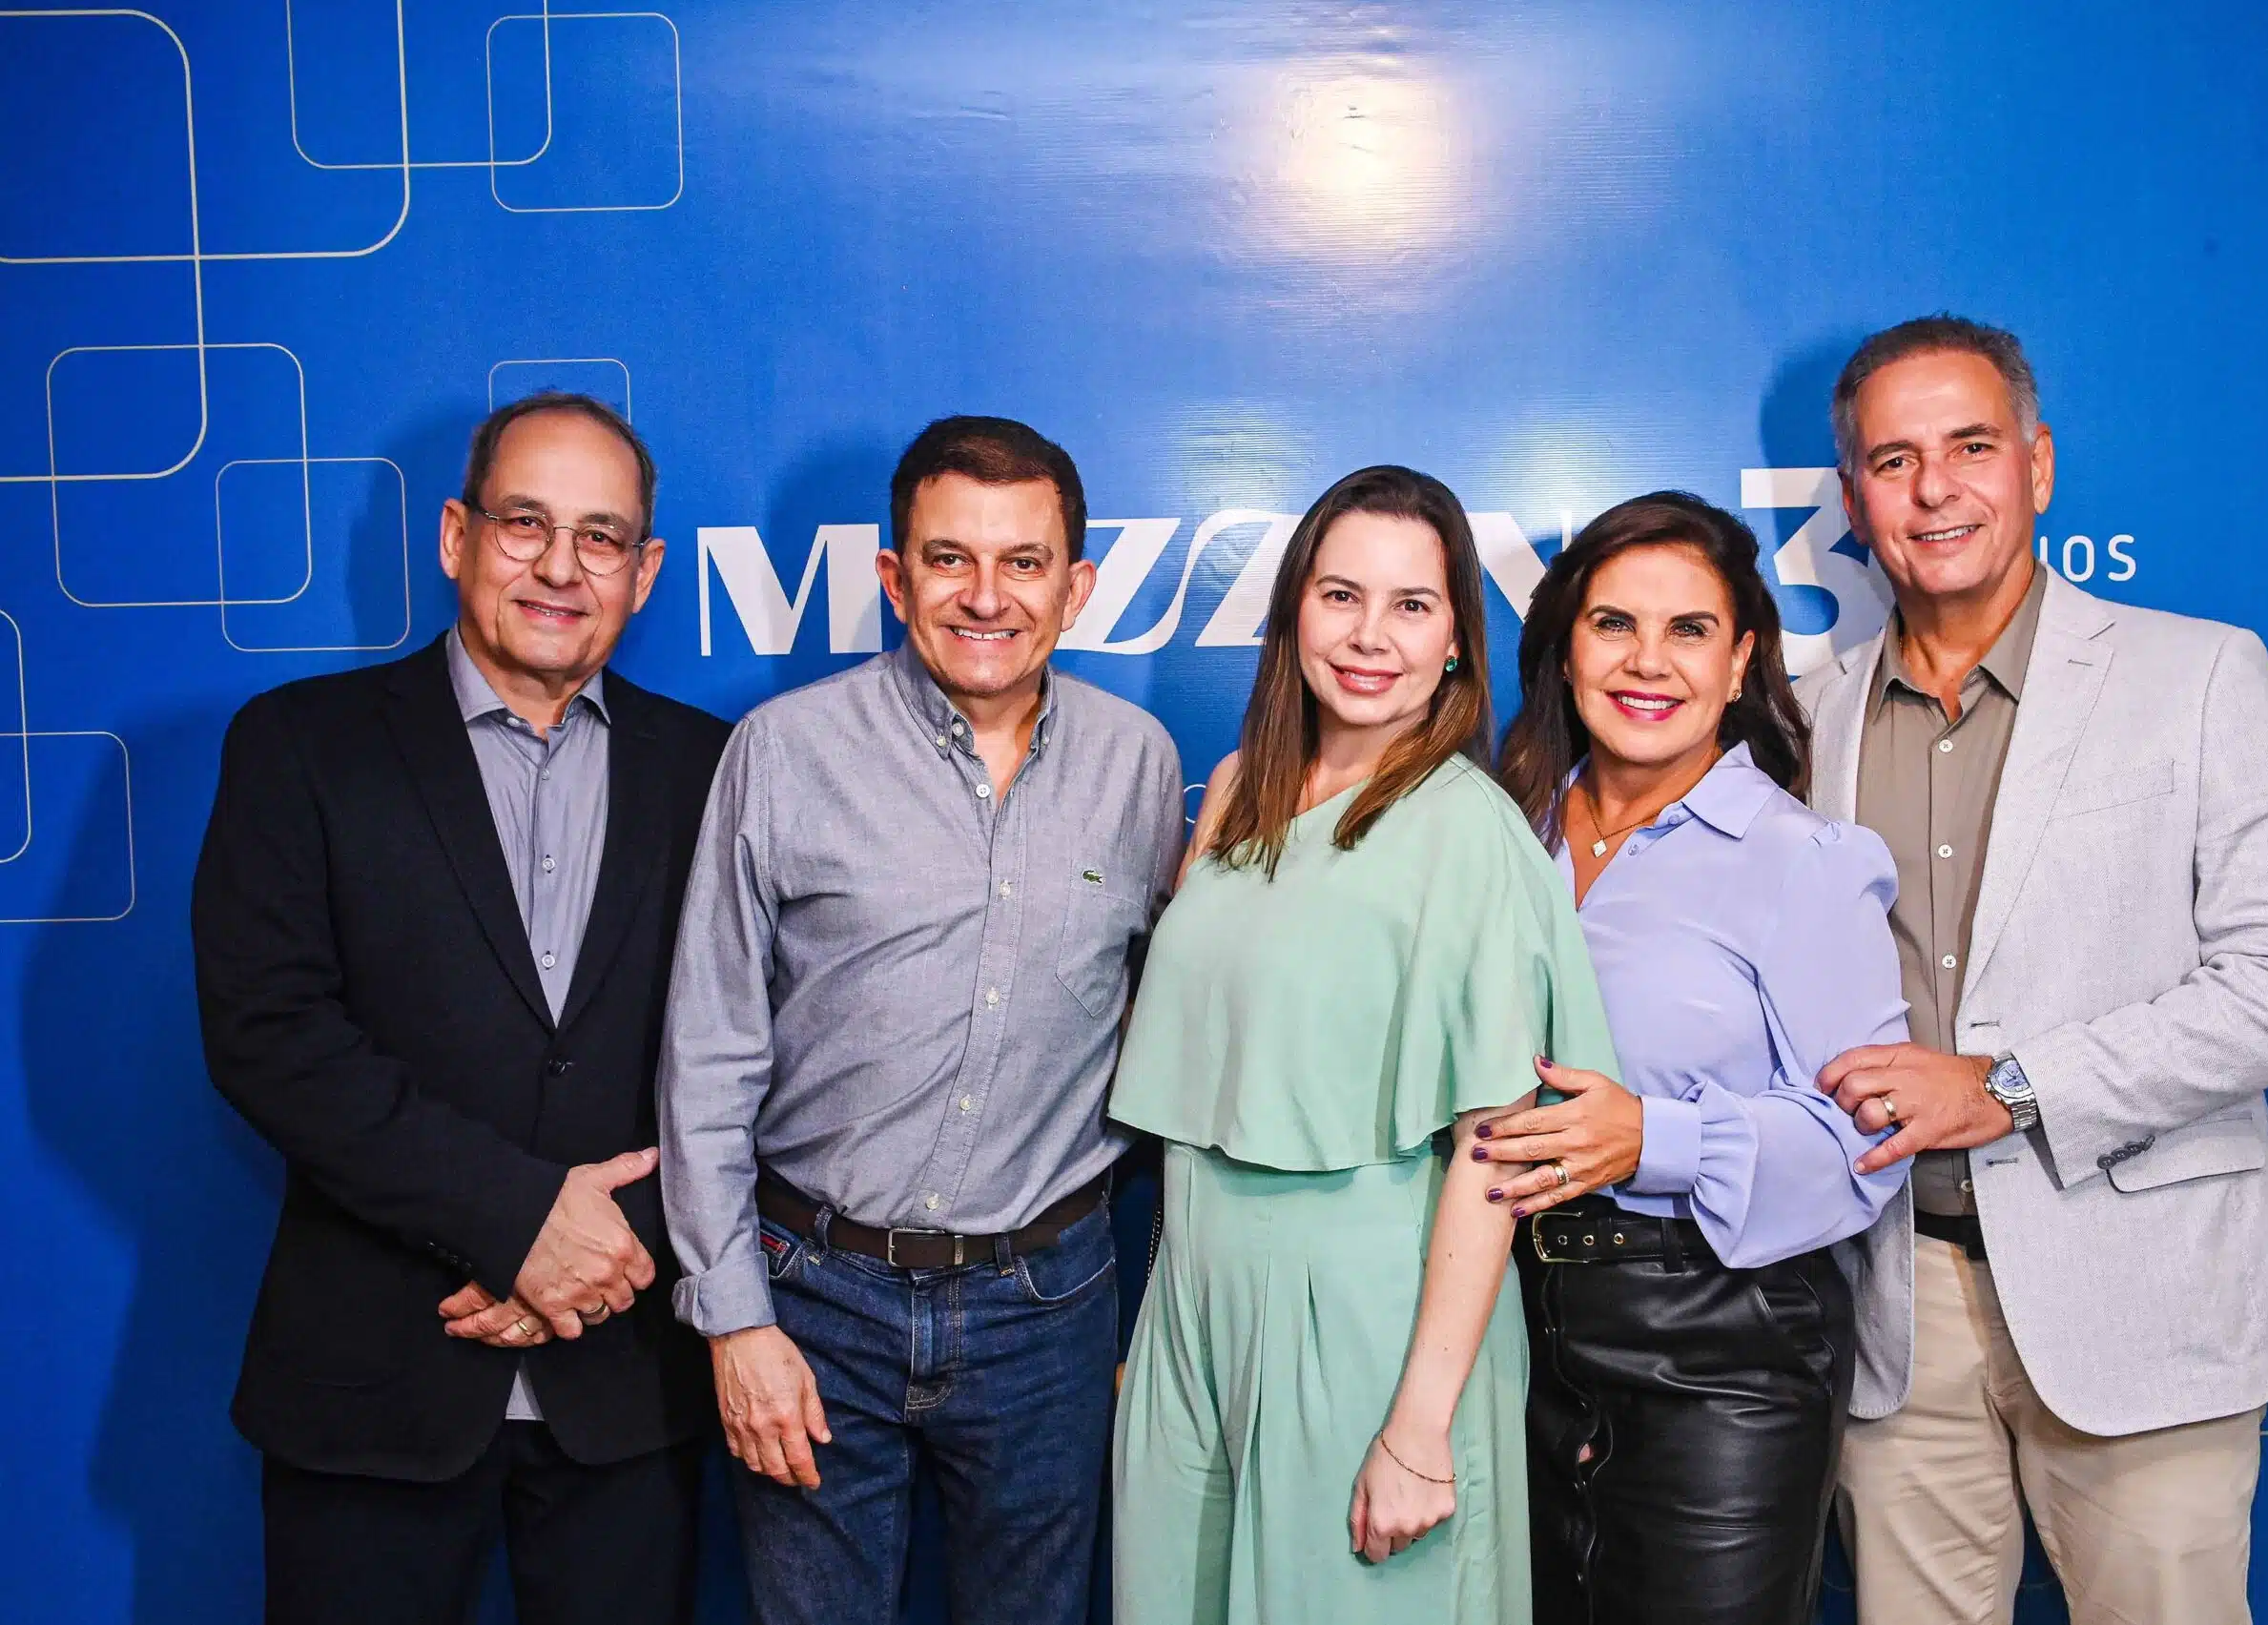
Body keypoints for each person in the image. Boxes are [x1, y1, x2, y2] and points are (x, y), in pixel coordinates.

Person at [1799, 316, 2268, 1622]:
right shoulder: (1804, 715)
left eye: (1971, 446)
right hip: (1893, 1307)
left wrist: (2010, 1085)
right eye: (1894, 460)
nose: (1935, 489)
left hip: (2143, 1296)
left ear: (2038, 464)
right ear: (1853, 500)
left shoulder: (2198, 673)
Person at [193, 391, 731, 1625]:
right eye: (526, 522)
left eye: (601, 537)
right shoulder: (299, 746)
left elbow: (759, 1059)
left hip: (626, 1383)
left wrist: (609, 1247)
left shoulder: (716, 769)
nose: (560, 567)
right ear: (456, 535)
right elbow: (270, 1035)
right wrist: (517, 1221)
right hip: (373, 1383)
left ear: (645, 572)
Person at [656, 416, 1183, 1625]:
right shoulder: (783, 752)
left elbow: (1172, 1034)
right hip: (812, 1297)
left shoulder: (1139, 764)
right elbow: (708, 1053)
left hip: (1046, 1304)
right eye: (951, 559)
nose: (986, 596)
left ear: (1076, 587)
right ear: (894, 578)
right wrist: (734, 1321)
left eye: (1023, 562)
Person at [1108, 464, 1618, 1625]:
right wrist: (1171, 1323)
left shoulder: (1467, 832)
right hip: (1194, 1301)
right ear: (1294, 608)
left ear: (1456, 640)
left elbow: (1495, 1150)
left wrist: (1422, 1427)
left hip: (1371, 1315)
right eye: (1341, 595)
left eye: (1411, 604)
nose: (1369, 636)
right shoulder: (1234, 793)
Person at [1474, 491, 1913, 1623]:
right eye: (1614, 623)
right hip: (1510, 1331)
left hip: (1722, 1347)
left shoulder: (1802, 859)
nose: (1647, 661)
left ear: (1739, 661)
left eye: (1689, 630)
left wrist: (1650, 1138)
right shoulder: (1500, 836)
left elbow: (1867, 1140)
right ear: (1565, 647)